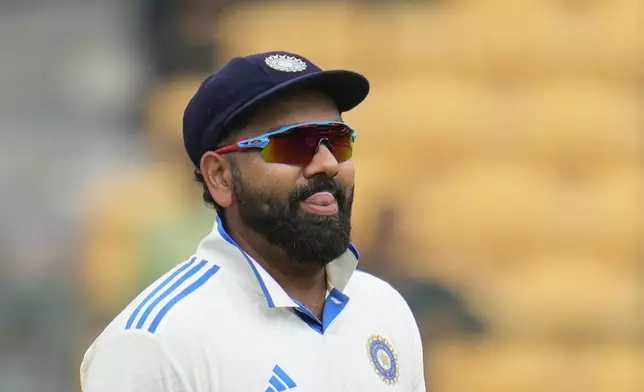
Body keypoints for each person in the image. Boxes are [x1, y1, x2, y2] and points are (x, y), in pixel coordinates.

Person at [80, 51, 426, 392]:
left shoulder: (384, 308)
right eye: (293, 144)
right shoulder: (157, 343)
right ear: (220, 177)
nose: (327, 163)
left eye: (337, 141)